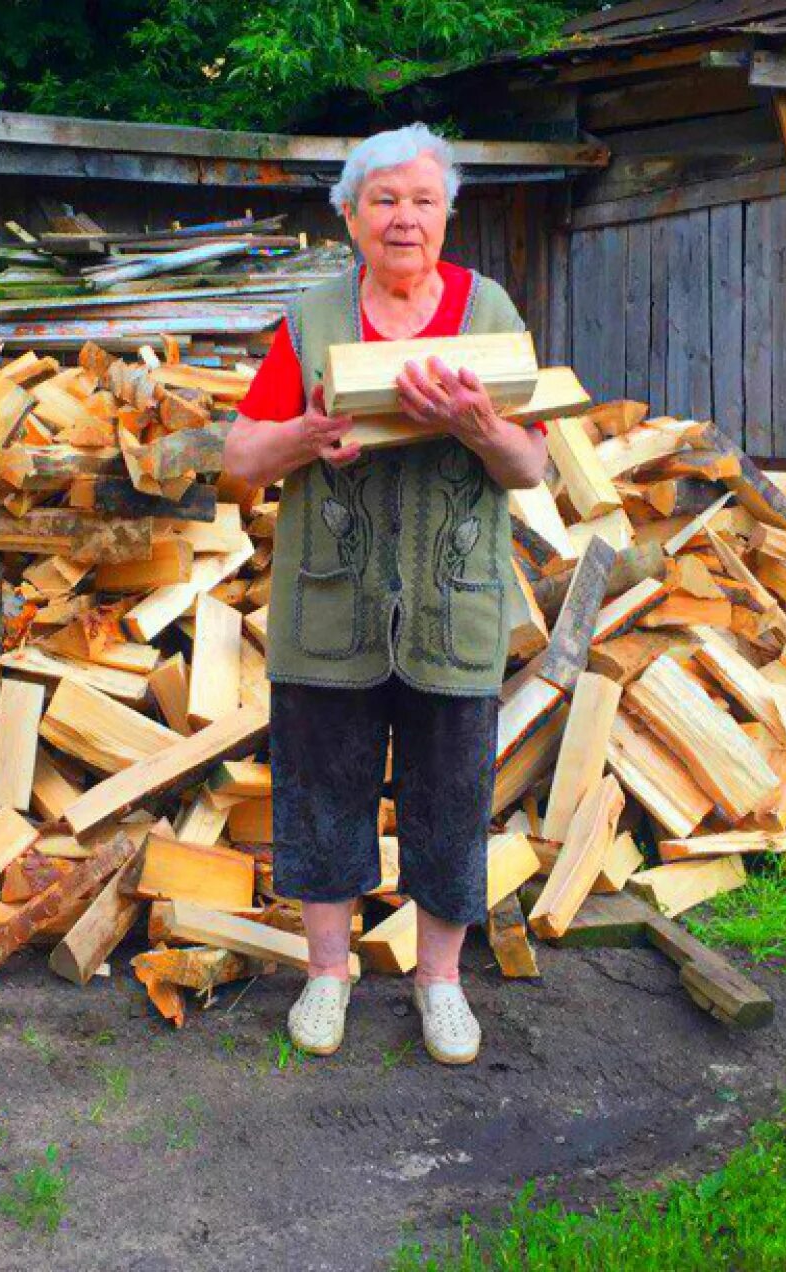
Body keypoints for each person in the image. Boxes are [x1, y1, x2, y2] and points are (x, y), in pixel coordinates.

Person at [221, 123, 549, 1066]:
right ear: (351, 216)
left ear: (447, 214)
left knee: (451, 793)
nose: (405, 219)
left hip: (455, 602)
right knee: (324, 785)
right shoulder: (314, 318)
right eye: (384, 201)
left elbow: (529, 464)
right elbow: (240, 457)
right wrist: (308, 434)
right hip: (332, 602)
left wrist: (482, 426)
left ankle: (440, 983)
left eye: (422, 201)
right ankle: (329, 975)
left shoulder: (488, 314)